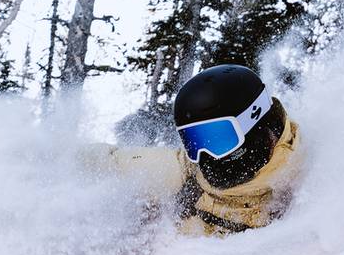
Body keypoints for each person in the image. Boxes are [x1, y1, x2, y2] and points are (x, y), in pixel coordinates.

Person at [99, 64, 303, 237]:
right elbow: (113, 162)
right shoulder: (187, 175)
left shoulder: (307, 186)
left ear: (257, 123)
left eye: (219, 138)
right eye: (194, 141)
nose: (206, 156)